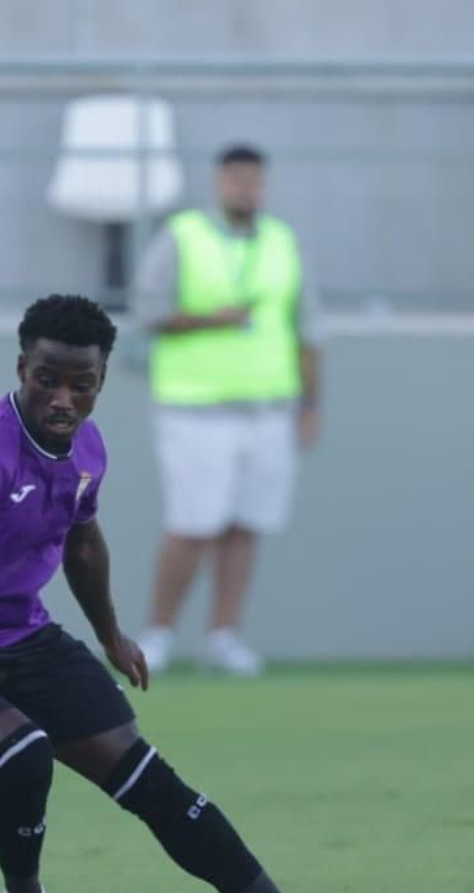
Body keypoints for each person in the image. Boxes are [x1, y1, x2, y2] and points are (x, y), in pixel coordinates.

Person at [0, 294, 386, 893]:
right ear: (22, 367)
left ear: (102, 382)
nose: (63, 398)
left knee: (150, 779)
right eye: (47, 377)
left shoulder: (87, 449)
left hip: (22, 635)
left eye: (83, 384)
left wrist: (109, 632)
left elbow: (82, 540)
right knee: (25, 753)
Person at [134, 144, 325, 677]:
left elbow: (308, 330)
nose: (247, 189)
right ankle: (158, 633)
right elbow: (148, 310)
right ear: (219, 181)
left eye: (256, 180)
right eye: (237, 178)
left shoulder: (283, 242)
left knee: (246, 524)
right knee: (192, 525)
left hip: (269, 407)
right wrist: (208, 319)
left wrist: (311, 404)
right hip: (196, 407)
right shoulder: (182, 236)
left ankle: (223, 635)